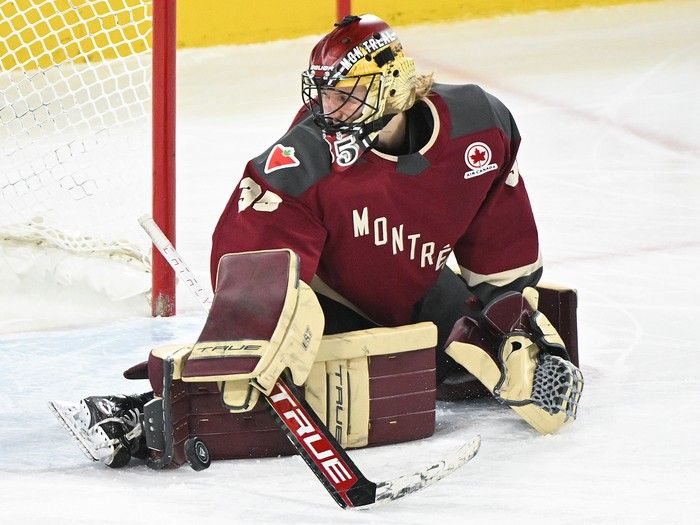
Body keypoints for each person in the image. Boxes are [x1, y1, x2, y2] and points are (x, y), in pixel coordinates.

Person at [51, 14, 583, 468]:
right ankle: (136, 417)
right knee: (270, 387)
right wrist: (268, 324)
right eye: (324, 93)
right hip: (329, 299)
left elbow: (501, 256)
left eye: (346, 94)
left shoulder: (479, 126)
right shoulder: (304, 156)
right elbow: (252, 264)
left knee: (493, 360)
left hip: (414, 288)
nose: (329, 108)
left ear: (394, 86)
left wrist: (514, 322)